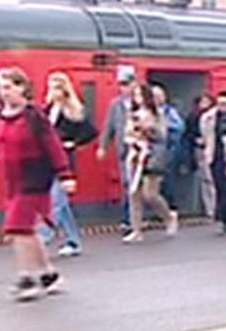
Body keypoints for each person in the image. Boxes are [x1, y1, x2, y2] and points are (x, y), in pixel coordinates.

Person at [0, 66, 74, 301]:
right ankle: (48, 274)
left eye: (8, 87)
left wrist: (65, 175)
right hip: (13, 179)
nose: (4, 93)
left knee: (18, 227)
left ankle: (26, 278)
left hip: (34, 177)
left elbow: (53, 146)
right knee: (27, 230)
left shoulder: (35, 116)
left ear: (22, 88)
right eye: (0, 88)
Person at [45, 71, 94, 257]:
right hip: (48, 160)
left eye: (57, 87)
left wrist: (74, 143)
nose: (53, 91)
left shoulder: (73, 109)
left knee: (56, 200)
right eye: (51, 87)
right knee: (62, 204)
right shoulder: (48, 108)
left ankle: (44, 235)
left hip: (65, 160)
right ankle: (73, 241)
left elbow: (91, 131)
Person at [122, 84, 179, 242]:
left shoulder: (157, 114)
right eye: (135, 95)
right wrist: (133, 139)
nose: (138, 98)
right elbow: (126, 134)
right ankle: (136, 229)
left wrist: (149, 130)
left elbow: (162, 136)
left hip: (153, 157)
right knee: (134, 193)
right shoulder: (132, 114)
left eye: (140, 95)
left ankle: (168, 216)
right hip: (136, 155)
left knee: (150, 194)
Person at [96, 67, 143, 229]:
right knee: (127, 183)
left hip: (140, 149)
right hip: (124, 150)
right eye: (122, 85)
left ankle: (134, 217)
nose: (124, 88)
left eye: (127, 84)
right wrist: (103, 146)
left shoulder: (141, 103)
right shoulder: (115, 105)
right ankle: (128, 218)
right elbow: (109, 127)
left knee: (137, 184)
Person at [200, 90, 226, 233]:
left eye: (224, 103)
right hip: (216, 156)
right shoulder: (208, 117)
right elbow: (205, 134)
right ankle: (223, 218)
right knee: (220, 187)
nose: (222, 106)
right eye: (219, 104)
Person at [190, 93, 216, 217]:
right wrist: (196, 139)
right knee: (205, 179)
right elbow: (190, 132)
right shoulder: (194, 117)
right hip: (200, 149)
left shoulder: (214, 116)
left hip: (213, 150)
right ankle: (209, 208)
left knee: (211, 179)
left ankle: (215, 207)